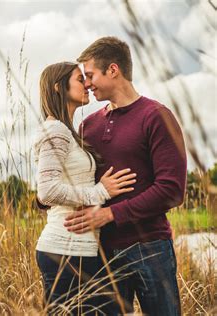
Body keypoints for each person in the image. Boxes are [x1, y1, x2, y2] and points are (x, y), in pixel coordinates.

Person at [60, 36, 187, 315]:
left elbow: (171, 189)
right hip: (100, 251)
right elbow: (77, 181)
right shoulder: (87, 126)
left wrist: (110, 214)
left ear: (113, 70)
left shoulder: (156, 116)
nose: (87, 83)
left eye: (90, 75)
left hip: (150, 248)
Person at [33, 61, 137, 314]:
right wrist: (100, 192)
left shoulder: (69, 132)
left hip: (81, 249)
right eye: (80, 80)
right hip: (63, 251)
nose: (88, 85)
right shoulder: (55, 130)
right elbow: (46, 191)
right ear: (59, 87)